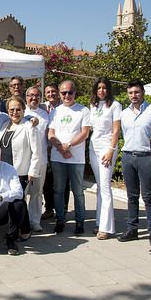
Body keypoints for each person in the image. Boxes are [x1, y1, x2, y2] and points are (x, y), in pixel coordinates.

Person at [118, 79, 151, 246]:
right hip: (128, 156)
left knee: (149, 196)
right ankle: (132, 229)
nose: (134, 95)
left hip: (146, 157)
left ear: (143, 92)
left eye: (136, 92)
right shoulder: (124, 114)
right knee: (132, 195)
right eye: (130, 93)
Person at [48, 80, 91, 235]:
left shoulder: (83, 110)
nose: (67, 95)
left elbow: (85, 133)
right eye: (64, 93)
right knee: (58, 190)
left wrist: (69, 145)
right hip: (58, 157)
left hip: (76, 158)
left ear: (75, 92)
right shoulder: (55, 111)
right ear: (60, 94)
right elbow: (51, 133)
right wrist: (61, 148)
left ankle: (80, 221)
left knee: (78, 192)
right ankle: (60, 219)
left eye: (70, 92)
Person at [0, 96, 41, 241]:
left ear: (23, 110)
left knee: (17, 200)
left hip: (21, 172)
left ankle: (17, 232)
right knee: (15, 201)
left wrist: (32, 171)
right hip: (4, 172)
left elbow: (37, 152)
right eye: (12, 109)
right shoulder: (4, 125)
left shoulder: (29, 126)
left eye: (18, 109)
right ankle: (24, 228)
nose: (15, 112)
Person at [88, 77, 122, 240]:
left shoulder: (115, 105)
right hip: (93, 147)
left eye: (104, 88)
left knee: (106, 186)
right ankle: (100, 222)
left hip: (107, 148)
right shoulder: (93, 105)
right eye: (99, 88)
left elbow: (116, 131)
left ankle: (107, 227)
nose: (102, 91)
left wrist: (111, 150)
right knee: (99, 187)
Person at [42, 82, 68, 220]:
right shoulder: (42, 107)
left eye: (53, 91)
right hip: (46, 149)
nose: (51, 94)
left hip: (60, 148)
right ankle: (49, 208)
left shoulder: (64, 107)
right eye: (48, 92)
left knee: (62, 180)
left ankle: (63, 208)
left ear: (57, 93)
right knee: (47, 180)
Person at [24, 86, 49, 232]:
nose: (34, 98)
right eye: (31, 95)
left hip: (41, 160)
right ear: (26, 97)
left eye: (37, 95)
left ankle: (34, 220)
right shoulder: (21, 112)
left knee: (37, 192)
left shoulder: (45, 115)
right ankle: (22, 221)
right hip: (24, 160)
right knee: (22, 192)